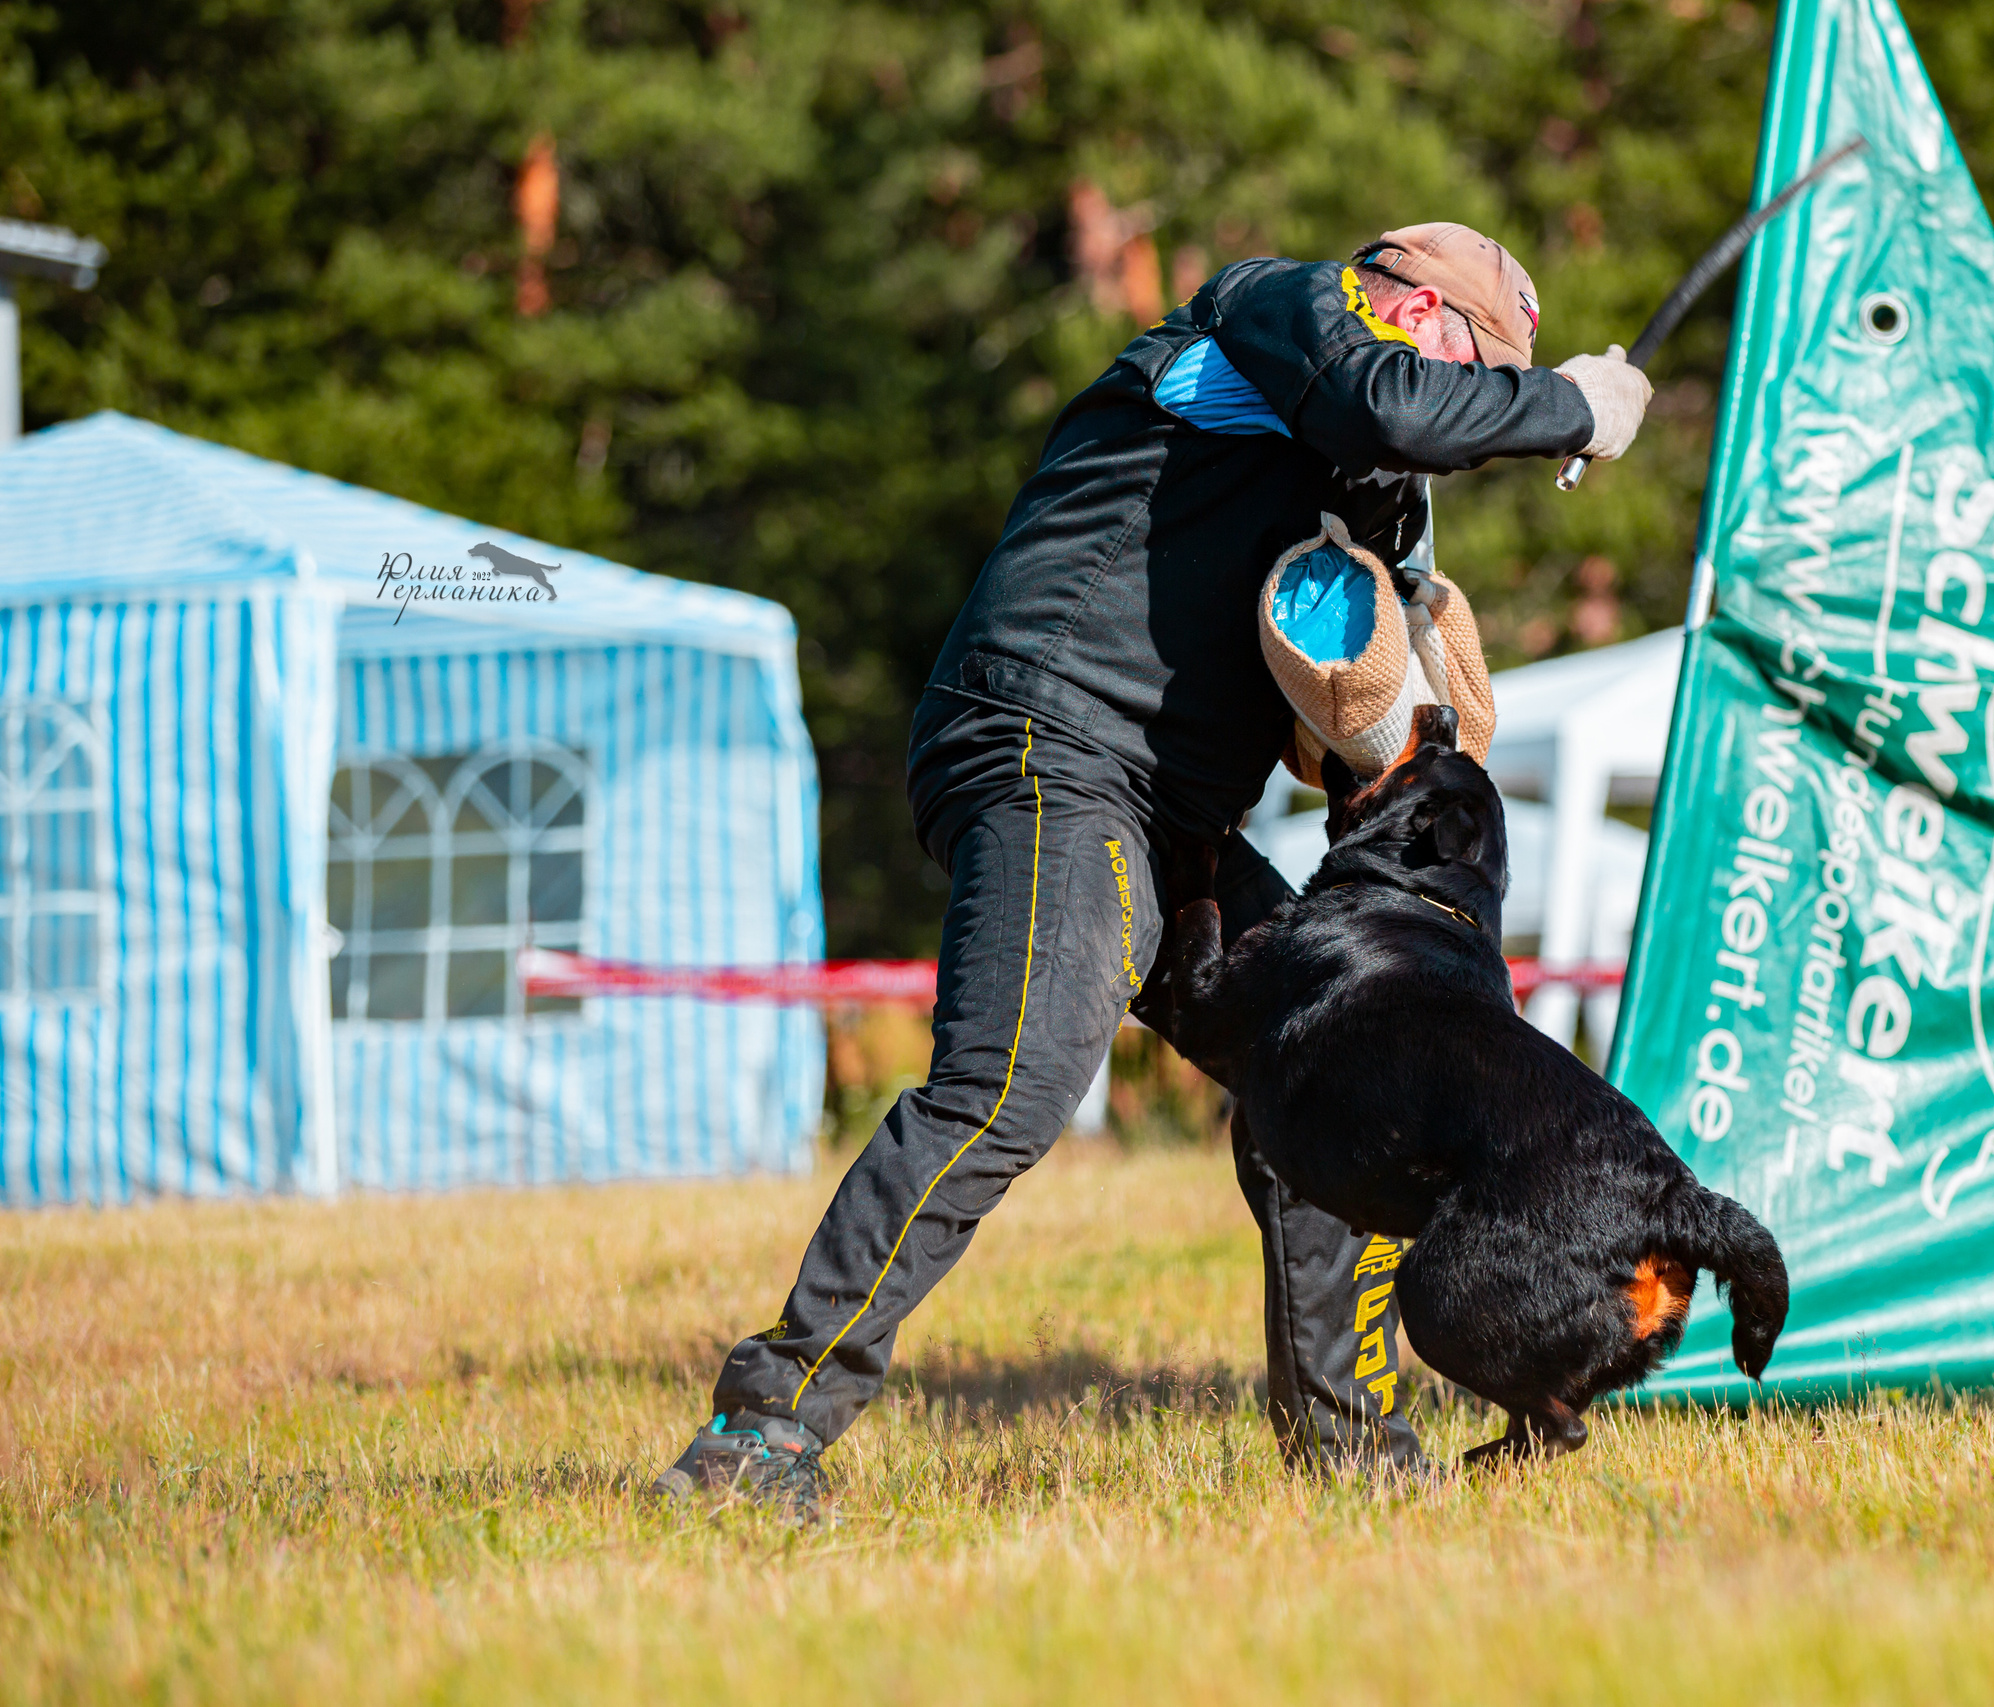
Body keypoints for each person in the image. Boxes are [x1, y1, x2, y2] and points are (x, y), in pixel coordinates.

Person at [655, 222, 1654, 1509]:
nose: (1469, 385)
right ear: (1412, 303)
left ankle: (1358, 1469)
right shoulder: (1284, 310)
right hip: (1047, 740)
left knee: (1334, 1079)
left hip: (1164, 810)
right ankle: (761, 1435)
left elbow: (1356, 744)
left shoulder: (1370, 479)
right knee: (1009, 1084)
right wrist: (1574, 403)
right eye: (1473, 353)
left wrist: (1403, 718)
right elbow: (1389, 395)